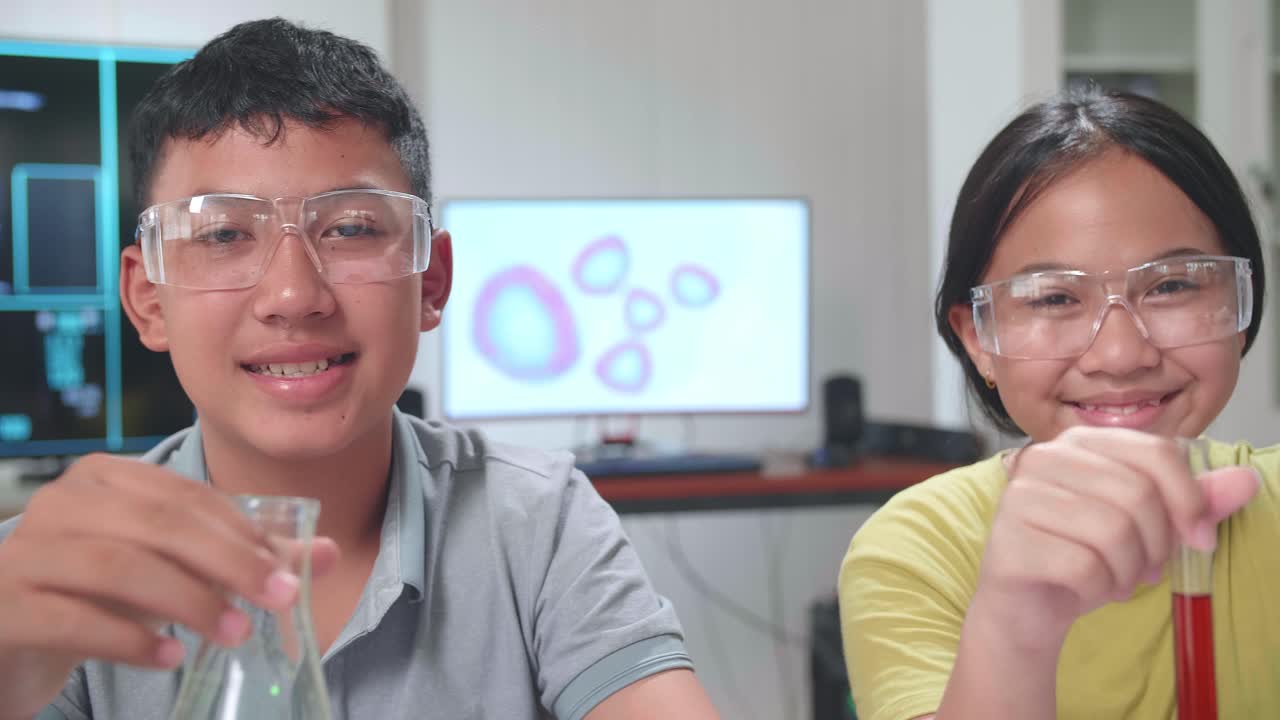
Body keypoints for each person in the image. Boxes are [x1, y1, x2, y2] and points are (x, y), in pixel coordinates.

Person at [0, 18, 719, 720]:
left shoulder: (536, 523)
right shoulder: (48, 575)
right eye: (222, 233)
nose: (293, 297)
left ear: (431, 281)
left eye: (350, 229)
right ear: (148, 299)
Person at [839, 87, 1280, 720]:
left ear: (1240, 304)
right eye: (1052, 299)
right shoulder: (918, 550)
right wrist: (1013, 625)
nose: (1122, 354)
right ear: (977, 338)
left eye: (1174, 285)